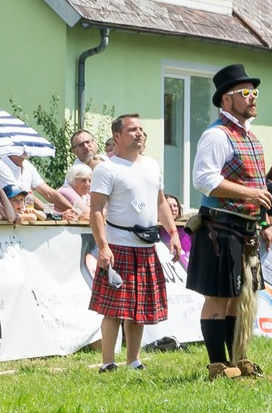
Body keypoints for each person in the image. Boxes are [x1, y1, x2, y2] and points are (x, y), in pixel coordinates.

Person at [189, 64, 272, 381]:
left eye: (255, 92)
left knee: (240, 296)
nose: (253, 98)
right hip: (219, 227)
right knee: (218, 297)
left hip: (246, 228)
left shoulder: (249, 136)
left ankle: (238, 360)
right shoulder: (216, 135)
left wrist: (263, 222)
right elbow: (204, 180)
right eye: (246, 93)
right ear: (227, 99)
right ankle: (217, 365)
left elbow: (258, 184)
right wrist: (250, 194)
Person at [89, 113, 182, 373]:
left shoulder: (152, 165)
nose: (139, 133)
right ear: (117, 136)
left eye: (141, 129)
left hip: (146, 245)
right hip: (117, 245)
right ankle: (108, 362)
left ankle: (133, 360)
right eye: (132, 130)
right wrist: (104, 246)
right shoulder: (106, 168)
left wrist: (173, 233)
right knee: (113, 308)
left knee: (139, 308)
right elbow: (96, 210)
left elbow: (160, 202)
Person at [0, 154, 71, 212]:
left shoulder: (28, 165)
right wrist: (55, 215)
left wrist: (73, 211)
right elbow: (23, 197)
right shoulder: (0, 165)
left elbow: (49, 193)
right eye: (21, 143)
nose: (25, 147)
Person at [161, 194, 192, 268]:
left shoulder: (187, 229)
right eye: (169, 206)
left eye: (175, 206)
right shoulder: (158, 229)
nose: (173, 209)